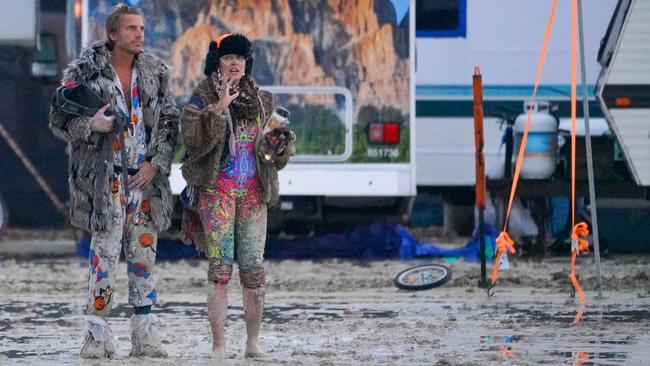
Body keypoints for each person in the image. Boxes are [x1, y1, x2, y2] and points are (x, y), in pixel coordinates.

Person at [49, 3, 179, 359]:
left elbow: (169, 121)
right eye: (131, 28)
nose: (139, 34)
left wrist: (156, 164)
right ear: (113, 34)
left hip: (144, 181)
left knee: (143, 260)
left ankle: (145, 336)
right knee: (103, 259)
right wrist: (92, 125)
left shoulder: (154, 72)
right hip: (106, 180)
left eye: (141, 28)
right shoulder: (85, 72)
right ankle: (96, 336)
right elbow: (58, 120)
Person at [180, 33, 295, 358]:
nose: (234, 63)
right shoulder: (201, 97)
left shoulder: (263, 101)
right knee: (219, 268)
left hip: (254, 193)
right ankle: (219, 346)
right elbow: (193, 143)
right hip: (216, 192)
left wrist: (279, 146)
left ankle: (252, 343)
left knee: (254, 270)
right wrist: (219, 109)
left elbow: (278, 159)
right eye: (228, 57)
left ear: (247, 64)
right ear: (217, 61)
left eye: (240, 58)